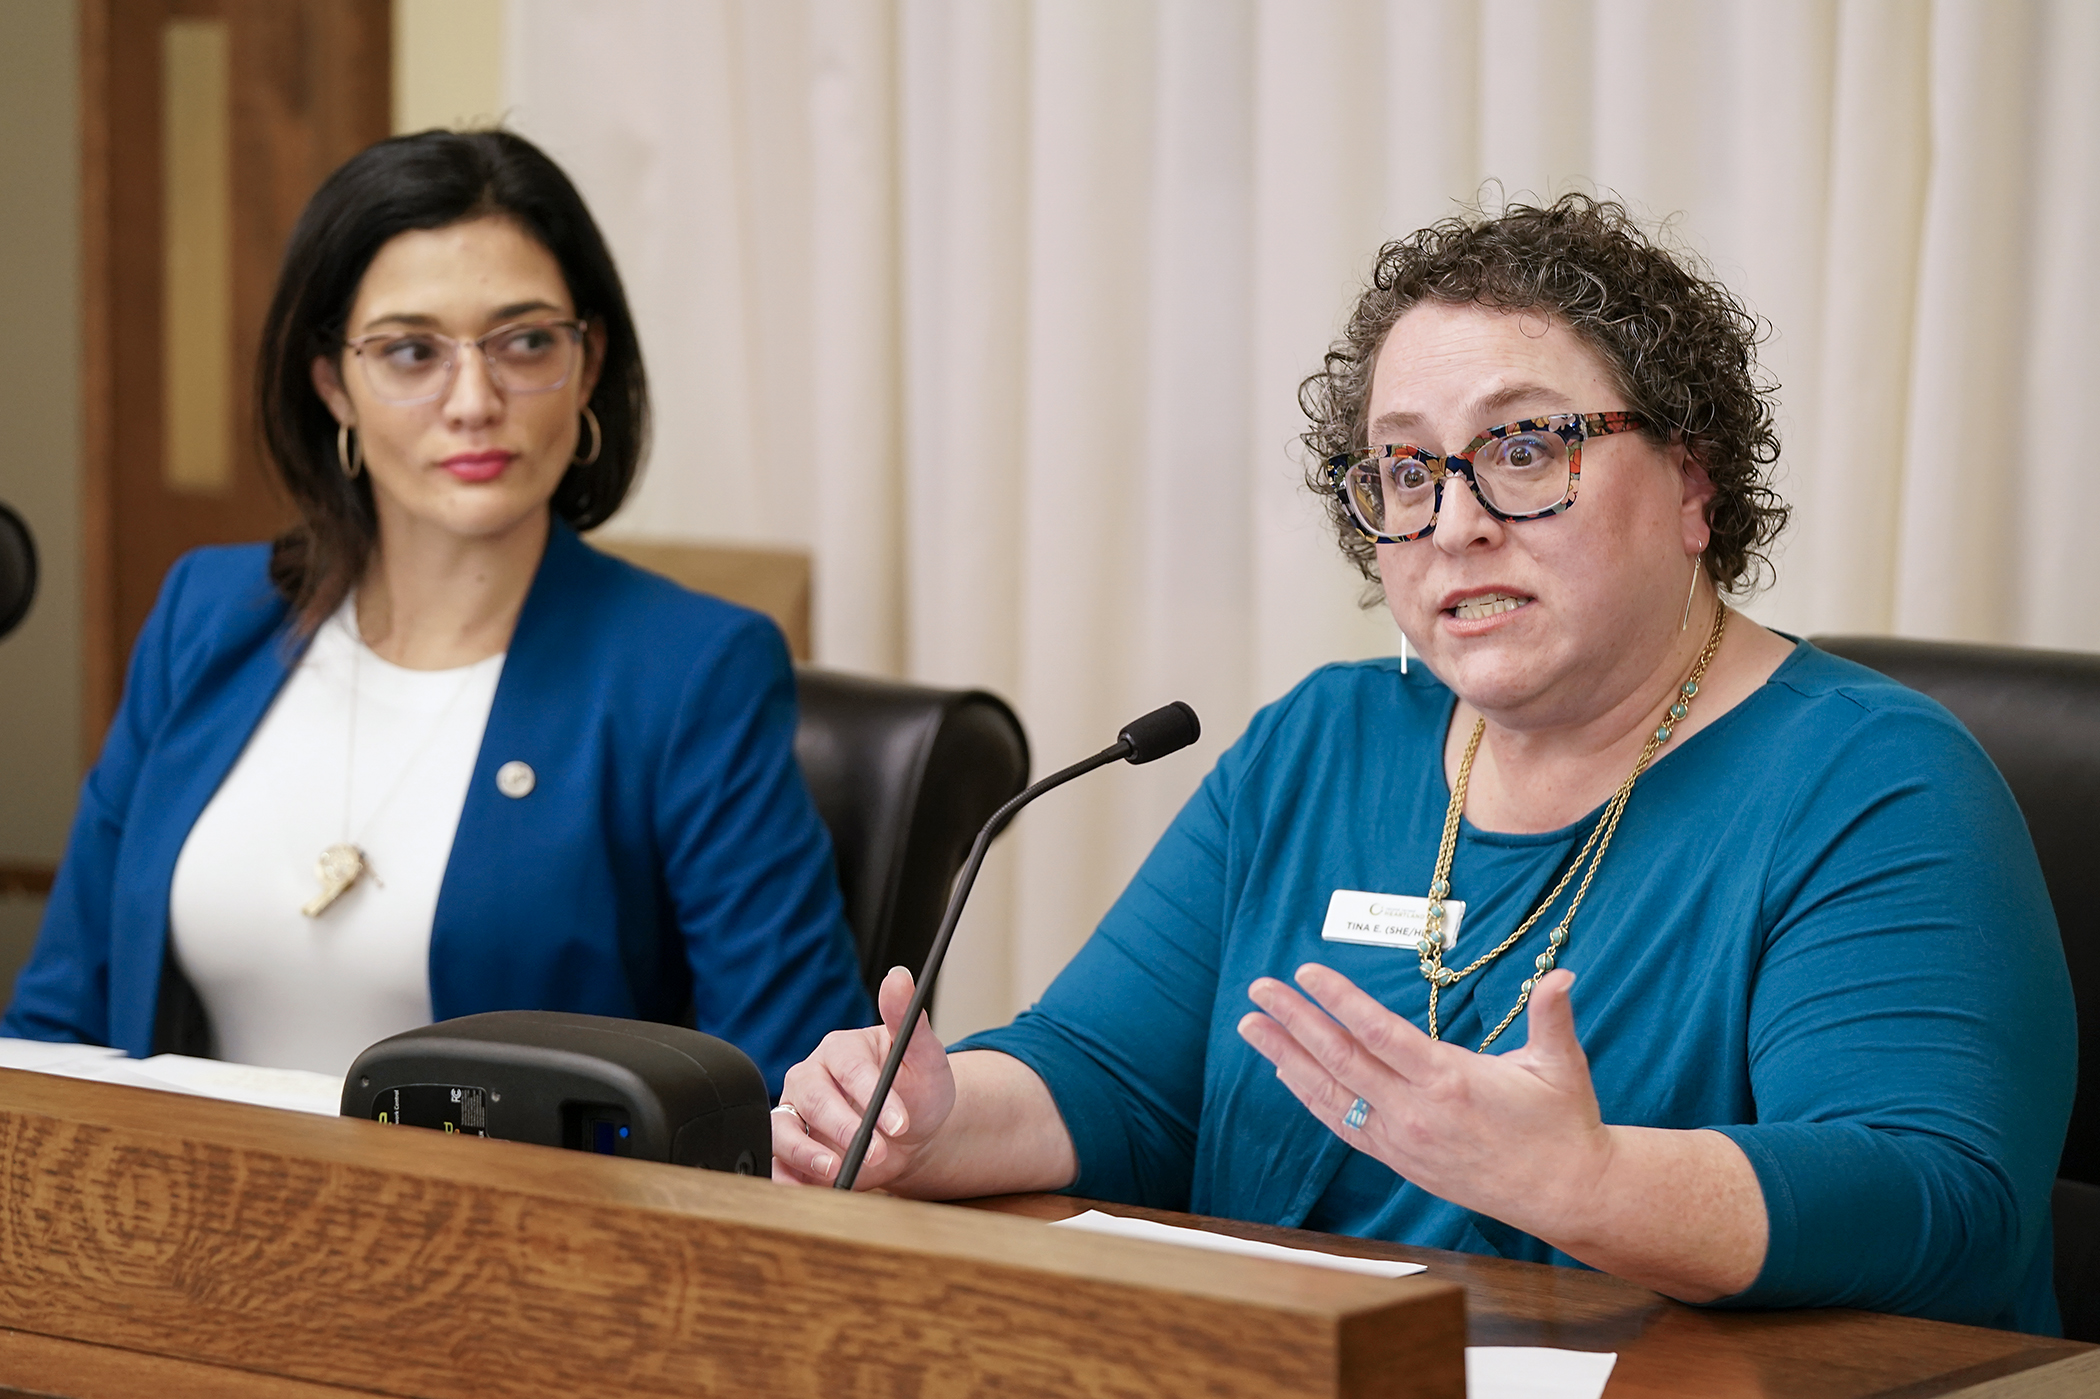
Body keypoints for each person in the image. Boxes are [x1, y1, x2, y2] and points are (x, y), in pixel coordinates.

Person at [768, 195, 2075, 1333]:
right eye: (1403, 468)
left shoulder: (1873, 782)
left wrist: (1591, 1179)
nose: (1451, 521)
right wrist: (933, 1120)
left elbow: (1942, 1201)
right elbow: (1113, 1075)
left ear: (1692, 481)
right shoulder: (1322, 743)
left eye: (1522, 449)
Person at [4, 131, 873, 1093]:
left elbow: (796, 1090)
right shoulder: (206, 616)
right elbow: (56, 1024)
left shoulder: (691, 672)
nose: (473, 400)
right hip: (179, 1220)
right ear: (332, 382)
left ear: (589, 367)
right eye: (412, 351)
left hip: (525, 1238)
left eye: (527, 342)